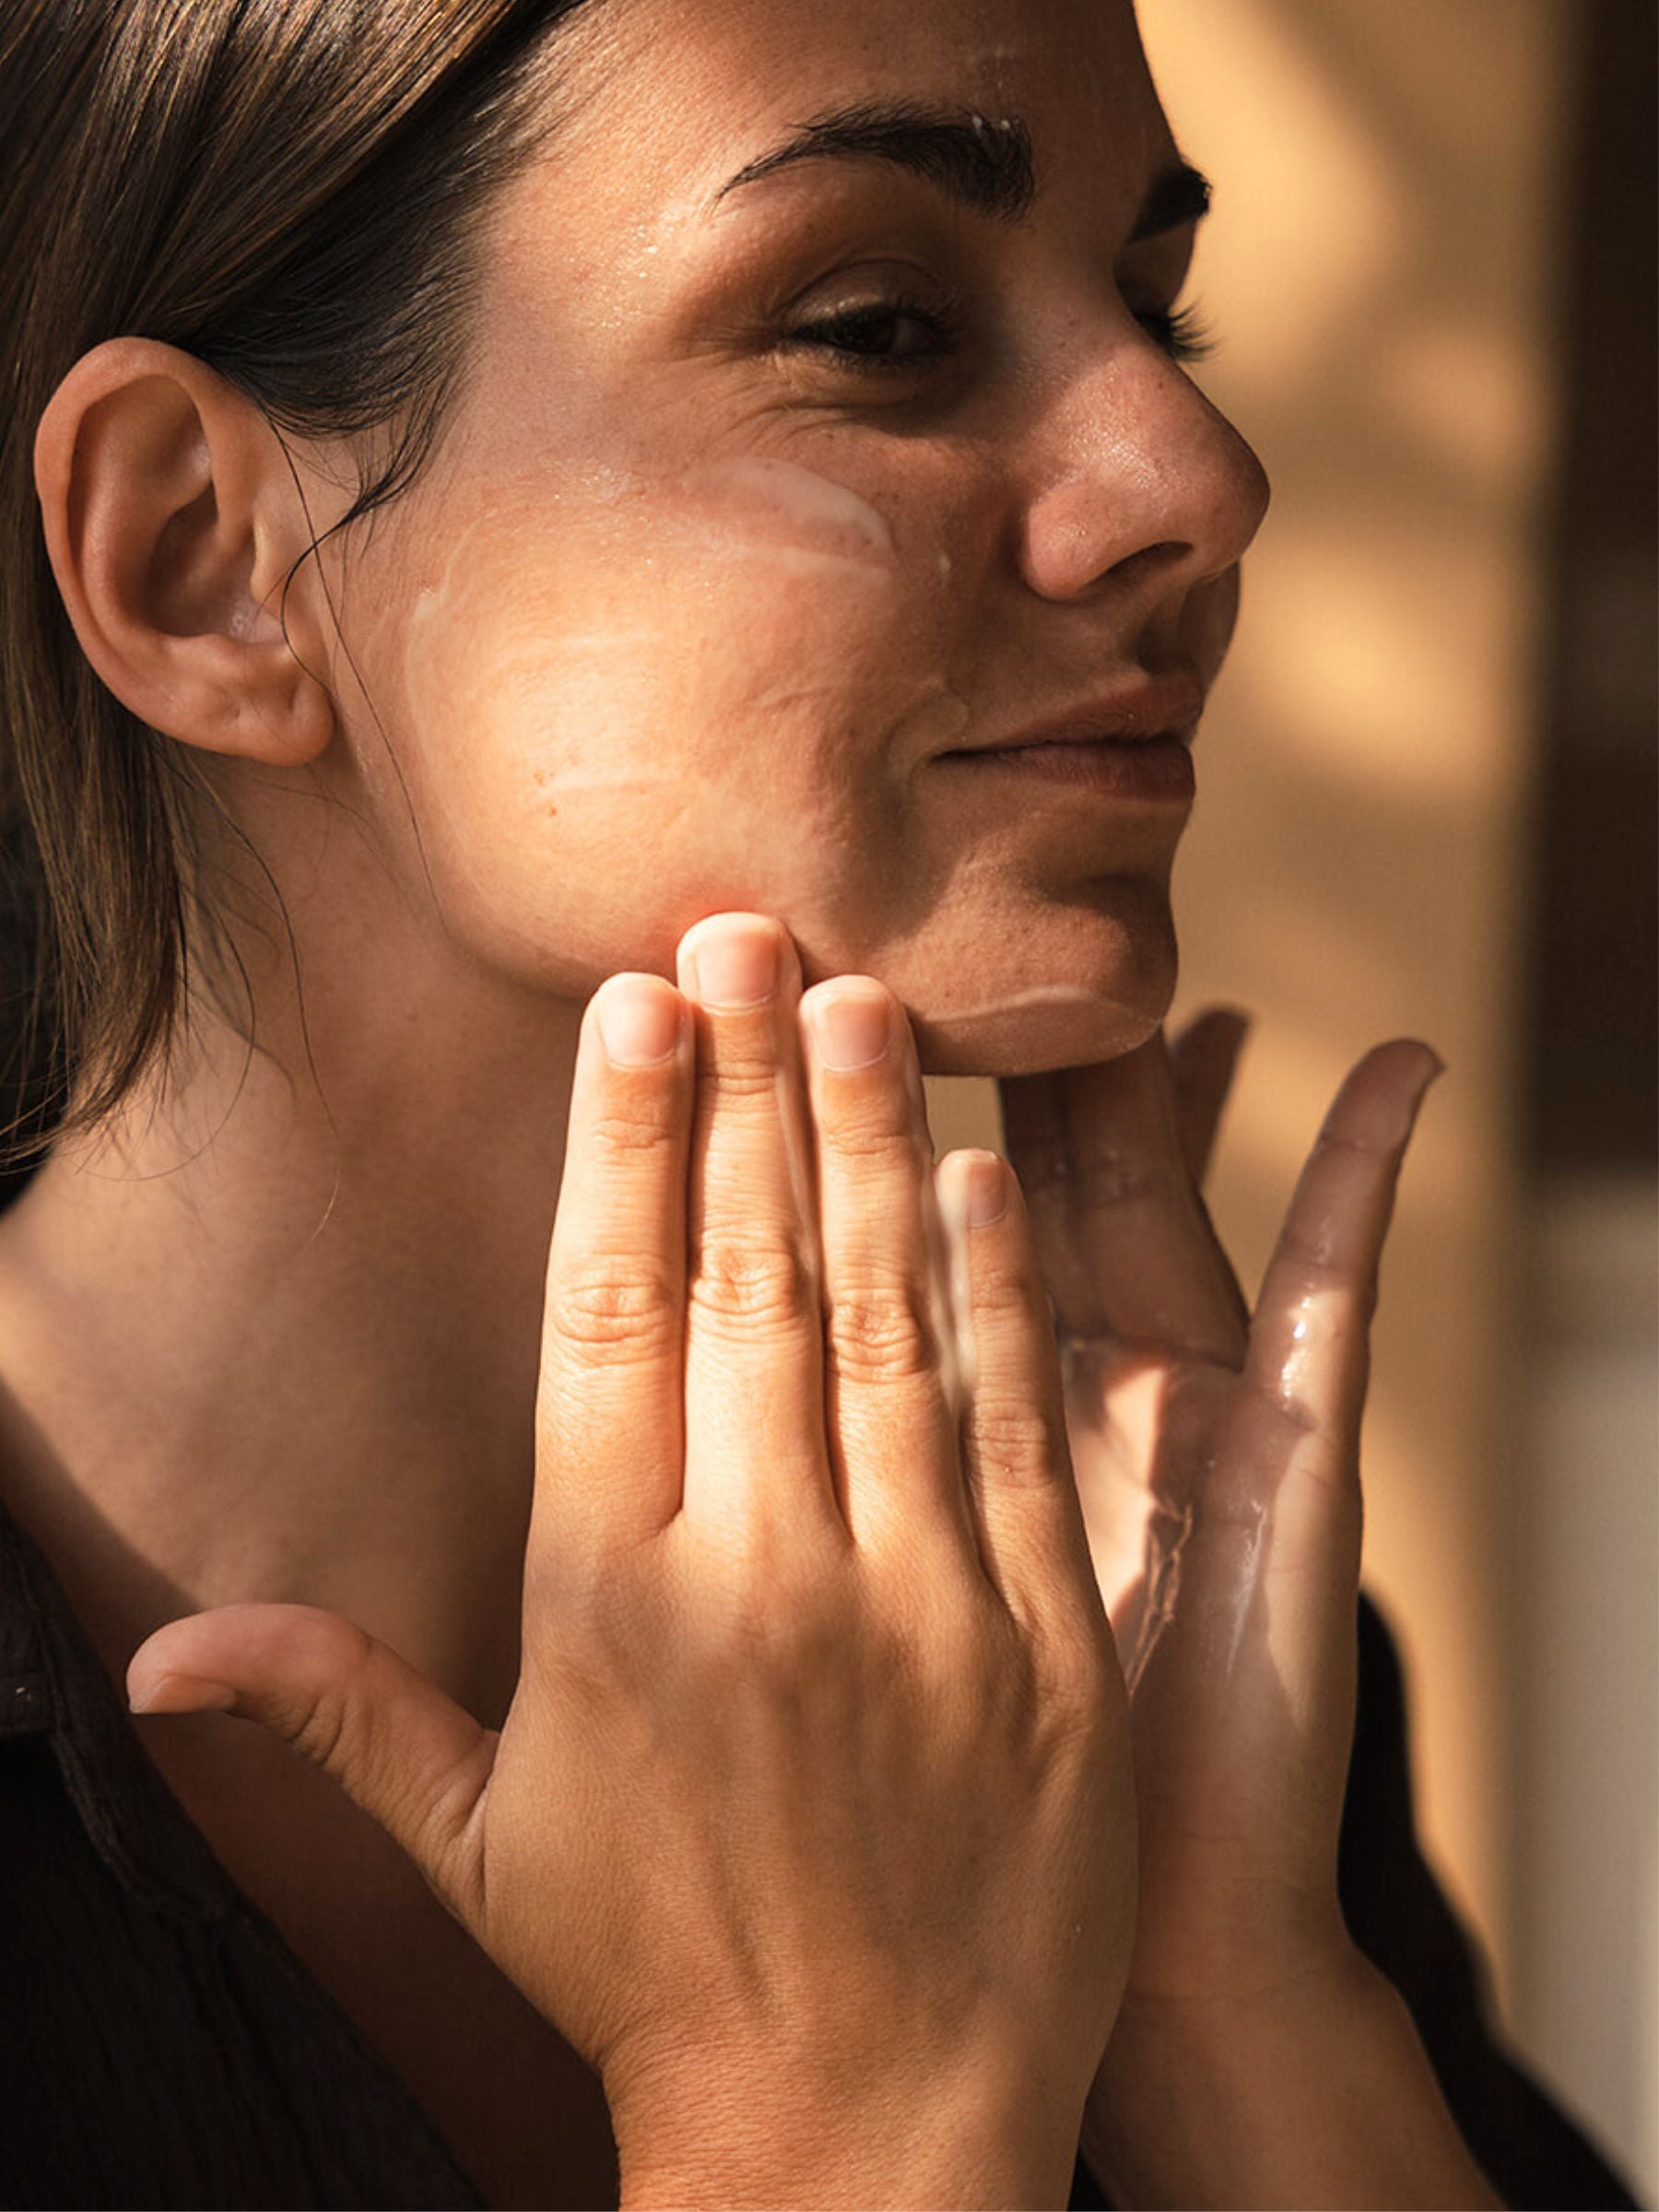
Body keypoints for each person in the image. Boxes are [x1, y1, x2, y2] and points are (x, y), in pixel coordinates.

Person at [0, 1, 1638, 2206]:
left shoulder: (1141, 1642)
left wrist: (1232, 2016)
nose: (1199, 478)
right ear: (200, 552)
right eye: (882, 328)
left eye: (1160, 306)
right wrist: (848, 2119)